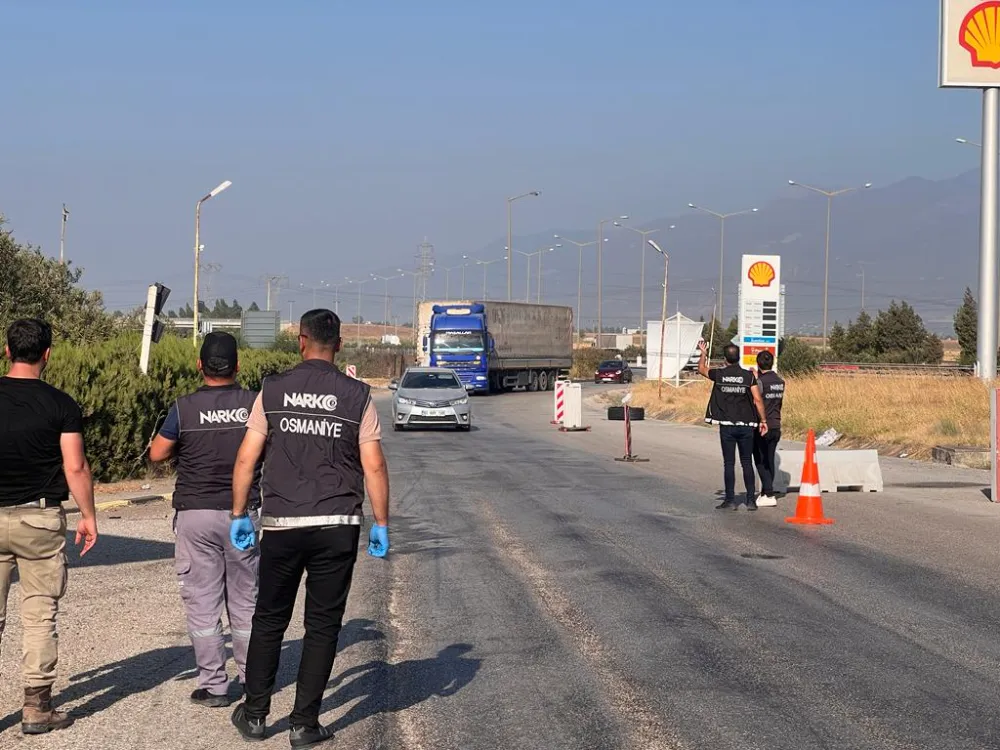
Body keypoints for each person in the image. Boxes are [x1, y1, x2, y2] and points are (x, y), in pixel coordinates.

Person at [228, 309, 390, 748]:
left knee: (269, 618)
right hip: (337, 525)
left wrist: (239, 512)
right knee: (322, 625)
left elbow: (247, 458)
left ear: (300, 341)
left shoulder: (273, 389)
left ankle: (256, 715)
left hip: (282, 524)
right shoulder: (358, 395)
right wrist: (381, 522)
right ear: (338, 345)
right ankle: (304, 724)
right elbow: (373, 464)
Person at [149, 331, 261, 708]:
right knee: (246, 601)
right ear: (237, 366)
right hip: (242, 515)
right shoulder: (254, 404)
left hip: (195, 515)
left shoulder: (184, 408)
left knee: (202, 602)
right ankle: (252, 679)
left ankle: (214, 685)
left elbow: (157, 454)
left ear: (199, 365)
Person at [0, 319, 98, 735]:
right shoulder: (62, 404)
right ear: (47, 354)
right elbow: (74, 466)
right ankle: (37, 707)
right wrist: (89, 515)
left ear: (7, 351)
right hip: (39, 518)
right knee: (39, 614)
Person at [697, 340, 769, 511]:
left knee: (729, 463)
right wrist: (764, 421)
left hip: (727, 426)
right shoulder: (748, 376)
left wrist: (703, 353)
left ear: (725, 359)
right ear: (739, 358)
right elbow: (757, 399)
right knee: (746, 462)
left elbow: (701, 369)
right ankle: (751, 501)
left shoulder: (719, 374)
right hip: (747, 425)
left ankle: (730, 500)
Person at [752, 350, 785, 508]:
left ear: (758, 364)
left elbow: (757, 401)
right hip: (776, 424)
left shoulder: (760, 382)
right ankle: (766, 492)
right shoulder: (780, 381)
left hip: (763, 425)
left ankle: (769, 493)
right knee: (770, 458)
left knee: (759, 459)